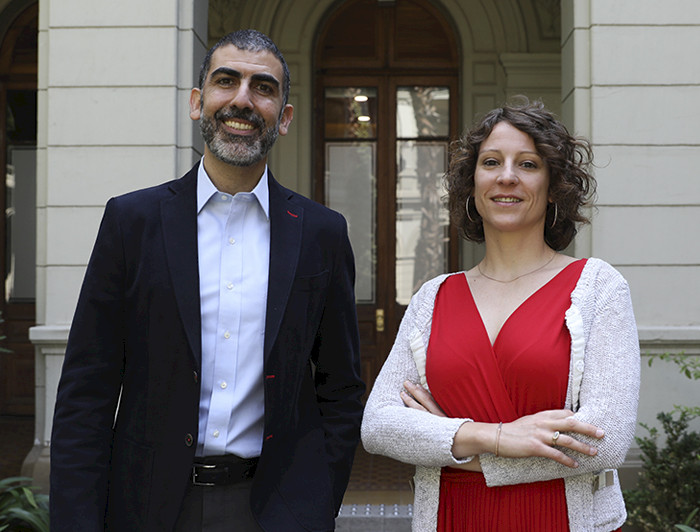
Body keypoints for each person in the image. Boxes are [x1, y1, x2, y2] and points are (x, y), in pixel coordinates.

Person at [50, 29, 365, 532]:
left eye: (263, 87)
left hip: (276, 511)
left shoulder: (321, 234)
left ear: (283, 117)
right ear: (198, 103)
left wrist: (316, 500)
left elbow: (341, 388)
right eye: (226, 81)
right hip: (149, 509)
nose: (242, 99)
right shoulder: (132, 222)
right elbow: (86, 391)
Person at [361, 99, 640, 532]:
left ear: (554, 185)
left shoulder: (597, 288)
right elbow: (379, 423)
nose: (506, 176)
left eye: (527, 164)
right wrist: (493, 436)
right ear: (473, 183)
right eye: (491, 162)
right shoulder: (433, 297)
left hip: (560, 520)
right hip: (454, 518)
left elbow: (604, 441)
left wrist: (456, 446)